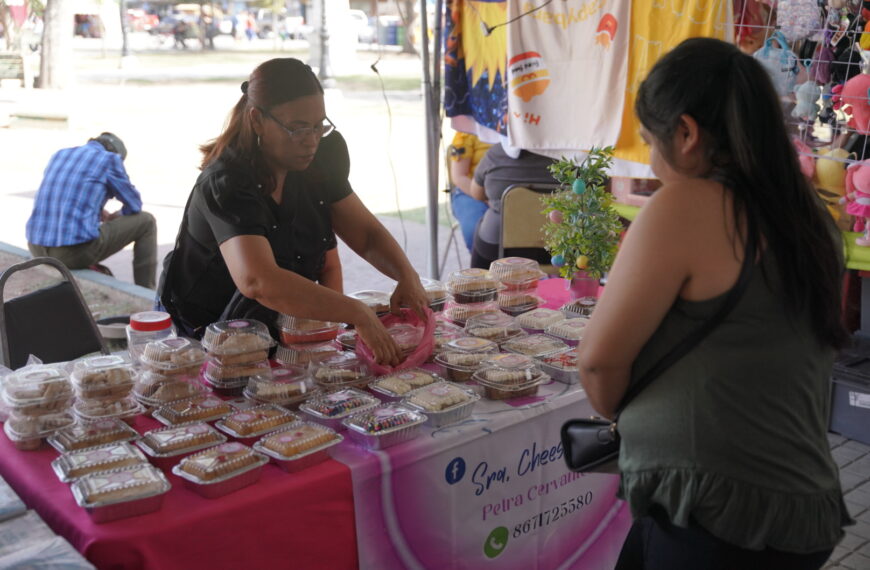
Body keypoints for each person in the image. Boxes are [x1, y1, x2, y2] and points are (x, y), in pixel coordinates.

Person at [576, 38, 851, 568]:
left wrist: (624, 415)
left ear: (686, 133)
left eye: (652, 144)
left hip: (715, 512)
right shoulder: (813, 218)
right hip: (800, 501)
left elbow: (598, 361)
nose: (654, 165)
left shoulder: (687, 204)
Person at [157, 58, 427, 365]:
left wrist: (407, 275)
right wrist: (356, 312)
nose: (311, 141)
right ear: (257, 119)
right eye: (297, 129)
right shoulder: (228, 182)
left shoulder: (323, 156)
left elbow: (364, 234)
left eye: (318, 126)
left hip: (276, 322)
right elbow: (258, 280)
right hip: (204, 328)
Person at [26, 133, 157, 289]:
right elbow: (134, 204)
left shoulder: (61, 154)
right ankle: (147, 293)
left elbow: (70, 195)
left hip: (37, 249)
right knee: (146, 221)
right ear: (117, 154)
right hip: (71, 253)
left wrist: (98, 209)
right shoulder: (110, 159)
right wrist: (115, 216)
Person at [469, 141, 557, 268]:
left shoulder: (496, 154)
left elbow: (476, 193)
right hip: (559, 248)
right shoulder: (574, 156)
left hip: (498, 248)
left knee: (484, 226)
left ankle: (478, 286)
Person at [447, 131, 491, 251]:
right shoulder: (467, 132)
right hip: (469, 191)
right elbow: (459, 177)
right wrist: (488, 197)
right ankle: (484, 267)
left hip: (507, 193)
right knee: (476, 229)